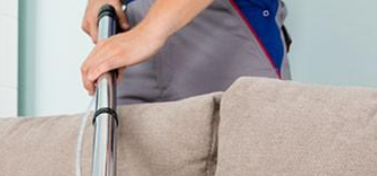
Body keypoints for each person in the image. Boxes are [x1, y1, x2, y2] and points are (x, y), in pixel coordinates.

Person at [81, 0, 291, 104]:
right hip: (132, 34)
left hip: (225, 29)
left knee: (250, 164)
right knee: (129, 172)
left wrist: (150, 31)